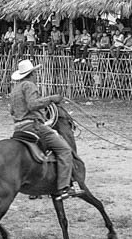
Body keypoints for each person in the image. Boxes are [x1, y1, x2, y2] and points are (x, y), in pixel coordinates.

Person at [9, 59, 80, 201]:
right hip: (33, 126)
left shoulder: (15, 90)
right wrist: (51, 99)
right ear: (32, 73)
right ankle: (64, 187)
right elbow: (33, 104)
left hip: (18, 128)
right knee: (65, 150)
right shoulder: (29, 85)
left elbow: (12, 111)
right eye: (35, 72)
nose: (36, 75)